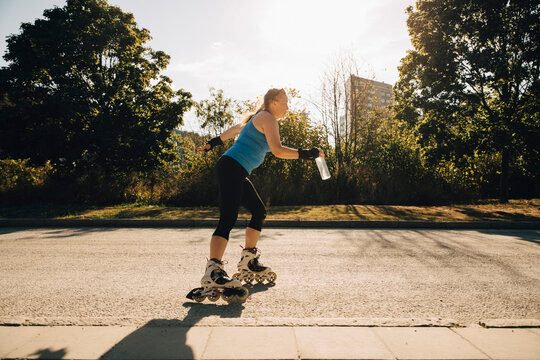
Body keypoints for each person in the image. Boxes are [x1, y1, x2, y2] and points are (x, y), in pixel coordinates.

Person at [195, 88, 324, 299]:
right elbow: (278, 150)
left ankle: (248, 260)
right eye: (285, 102)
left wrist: (212, 143)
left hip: (235, 169)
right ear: (273, 101)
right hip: (231, 167)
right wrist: (307, 153)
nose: (287, 107)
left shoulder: (256, 118)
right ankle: (213, 271)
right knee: (228, 218)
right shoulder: (268, 117)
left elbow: (232, 131)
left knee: (258, 211)